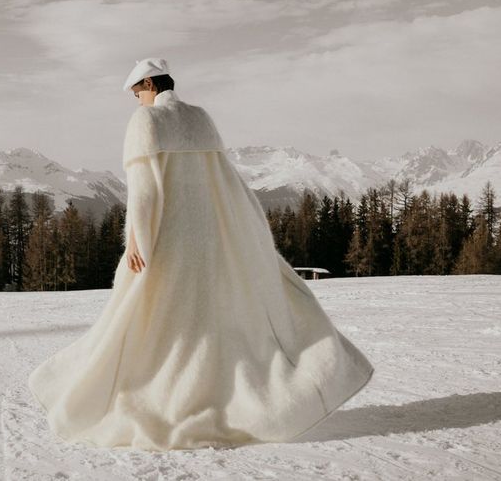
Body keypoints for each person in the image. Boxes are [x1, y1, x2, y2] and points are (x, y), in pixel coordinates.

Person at [27, 57, 375, 451]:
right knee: (206, 324)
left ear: (148, 84)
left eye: (135, 92)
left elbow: (144, 191)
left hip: (168, 240)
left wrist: (137, 243)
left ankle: (155, 400)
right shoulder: (201, 119)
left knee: (150, 323)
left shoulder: (146, 123)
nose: (135, 100)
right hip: (208, 242)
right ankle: (228, 396)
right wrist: (250, 237)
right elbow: (227, 182)